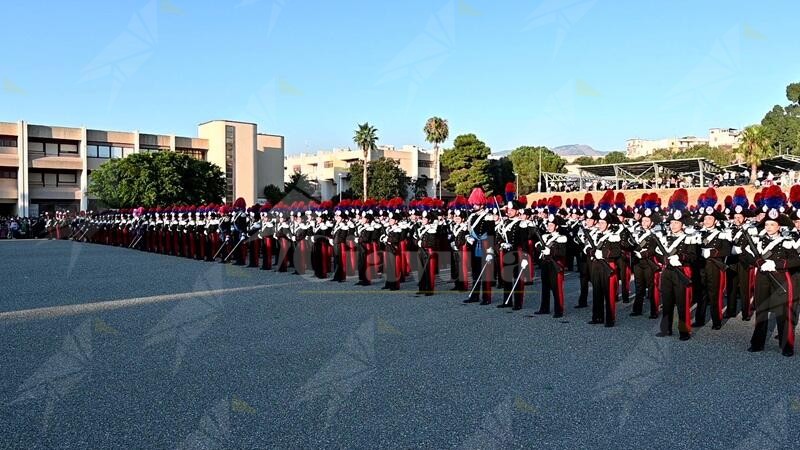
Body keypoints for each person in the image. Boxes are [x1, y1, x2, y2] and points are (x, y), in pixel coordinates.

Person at [743, 185, 799, 357]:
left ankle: (786, 345)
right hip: (762, 277)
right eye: (766, 224)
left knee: (783, 312)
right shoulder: (758, 240)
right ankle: (757, 342)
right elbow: (746, 254)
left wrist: (777, 264)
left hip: (781, 277)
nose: (768, 227)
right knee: (761, 310)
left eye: (772, 224)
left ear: (779, 226)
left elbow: (797, 260)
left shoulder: (787, 241)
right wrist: (758, 261)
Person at [656, 189, 698, 341]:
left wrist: (680, 257)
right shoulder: (665, 238)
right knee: (666, 302)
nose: (673, 225)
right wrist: (662, 257)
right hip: (667, 272)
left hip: (682, 271)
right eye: (672, 222)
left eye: (676, 223)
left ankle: (684, 331)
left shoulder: (689, 238)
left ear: (682, 224)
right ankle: (666, 329)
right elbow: (660, 255)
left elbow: (693, 257)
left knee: (682, 304)